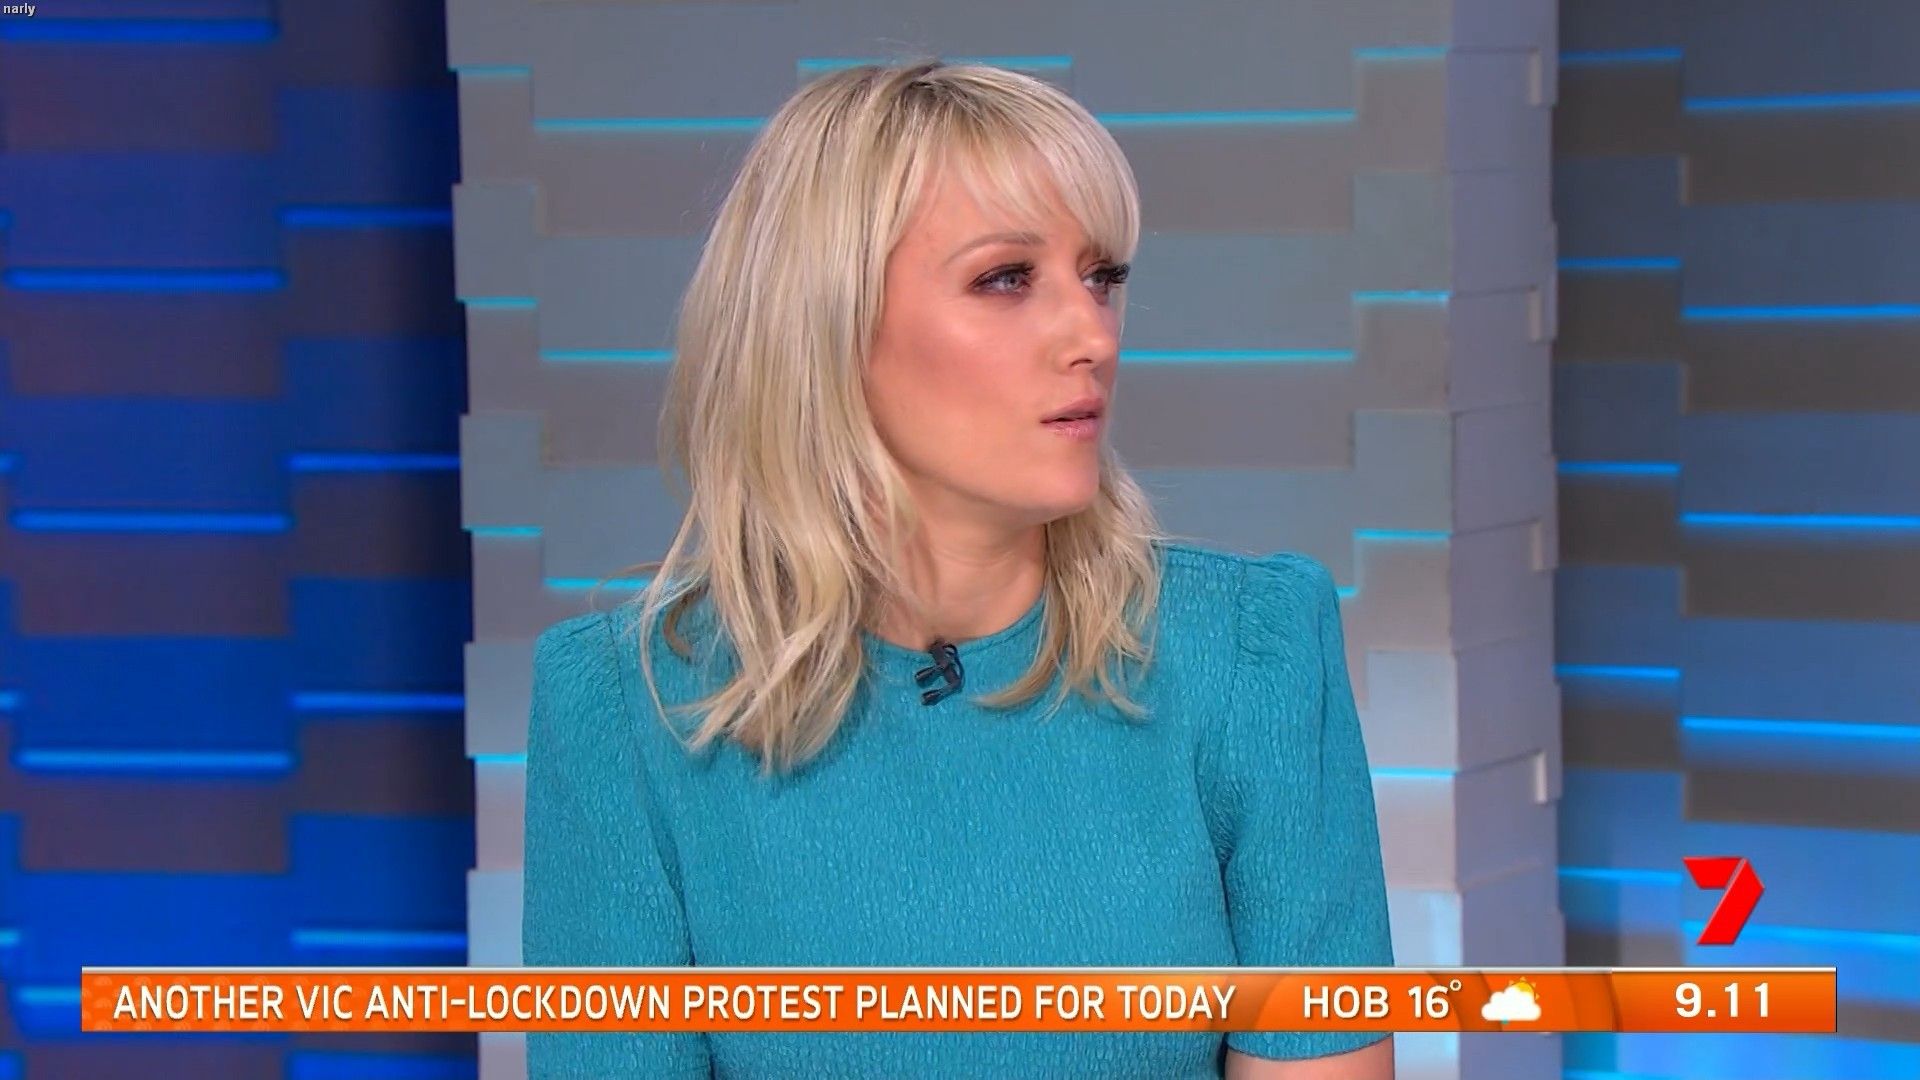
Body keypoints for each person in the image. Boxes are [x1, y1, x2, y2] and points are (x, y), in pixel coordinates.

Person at [520, 58, 1395, 1079]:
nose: (1092, 335)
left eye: (1102, 276)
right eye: (1007, 278)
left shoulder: (1252, 657)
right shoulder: (622, 711)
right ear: (826, 326)